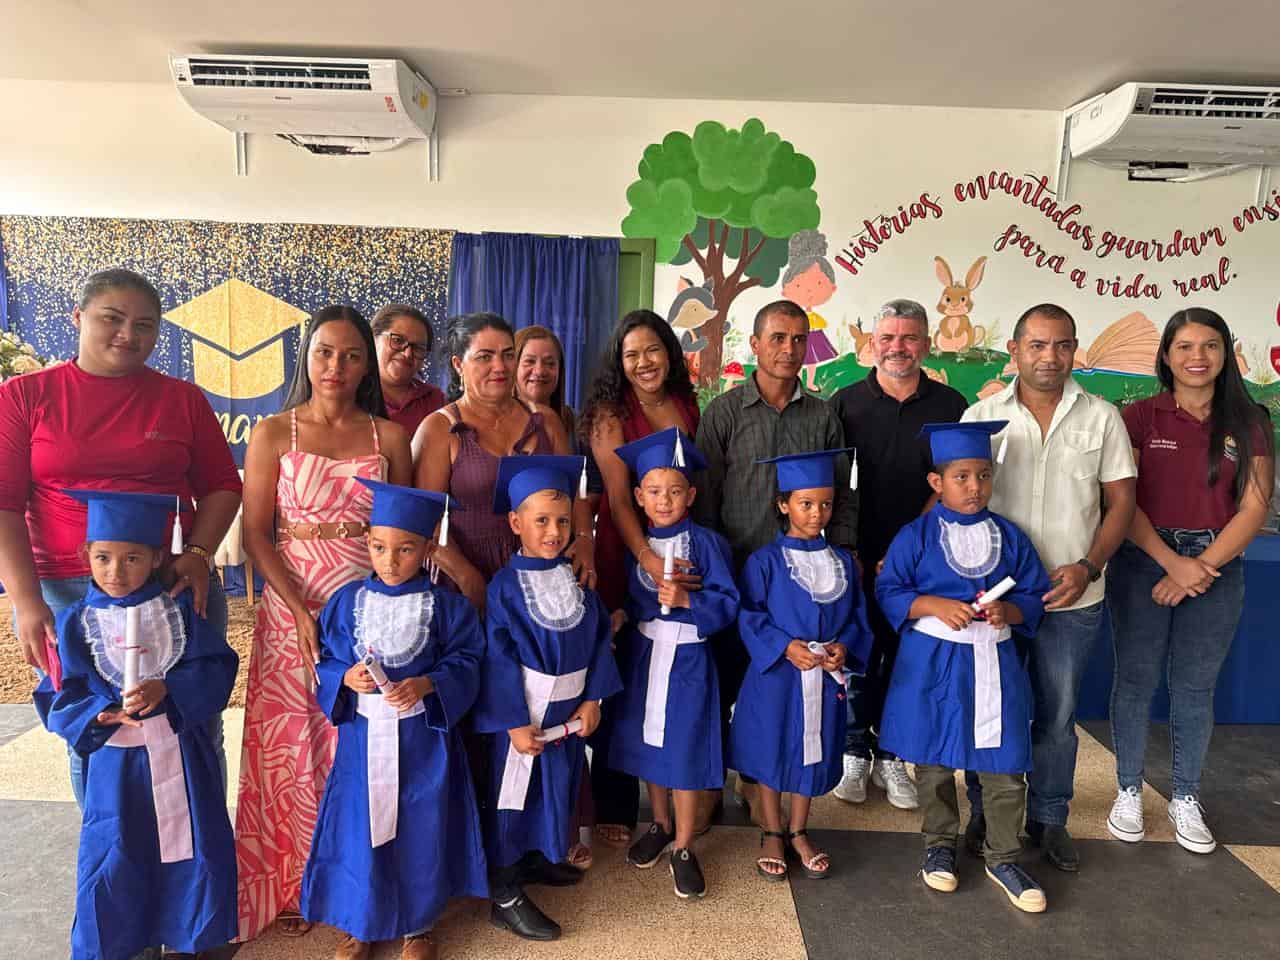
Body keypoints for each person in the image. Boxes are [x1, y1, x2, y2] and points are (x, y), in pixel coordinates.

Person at [0, 268, 242, 807]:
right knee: (96, 727)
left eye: (144, 325)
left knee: (192, 719)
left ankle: (200, 850)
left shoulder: (182, 399)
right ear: (78, 317)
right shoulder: (25, 396)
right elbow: (4, 505)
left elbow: (223, 486)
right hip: (69, 591)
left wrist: (198, 554)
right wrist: (27, 601)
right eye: (112, 318)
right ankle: (109, 848)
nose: (128, 335)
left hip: (170, 584)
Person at [235, 306, 413, 942]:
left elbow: (405, 529)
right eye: (324, 352)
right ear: (306, 357)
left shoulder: (389, 439)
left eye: (351, 355)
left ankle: (356, 882)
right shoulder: (272, 433)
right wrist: (296, 608)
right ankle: (290, 881)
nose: (336, 366)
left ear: (367, 365)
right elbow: (257, 535)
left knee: (359, 743)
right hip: (293, 609)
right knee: (291, 746)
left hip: (369, 608)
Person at [960, 303, 1136, 871]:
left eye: (1062, 345)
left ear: (1074, 351)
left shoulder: (1102, 418)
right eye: (1037, 345)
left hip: (1072, 597)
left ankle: (1050, 818)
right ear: (1014, 350)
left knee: (1057, 717)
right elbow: (957, 501)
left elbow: (1121, 503)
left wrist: (1089, 566)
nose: (1050, 357)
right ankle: (985, 813)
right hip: (996, 602)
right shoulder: (980, 416)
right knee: (991, 711)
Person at [34, 490, 238, 960]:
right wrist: (97, 713)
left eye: (132, 558)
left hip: (180, 757)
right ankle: (124, 943)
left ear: (156, 558)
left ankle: (191, 937)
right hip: (116, 766)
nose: (116, 572)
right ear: (86, 555)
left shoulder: (178, 613)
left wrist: (169, 689)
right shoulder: (76, 623)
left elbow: (216, 667)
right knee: (117, 849)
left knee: (189, 844)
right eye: (103, 558)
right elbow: (58, 693)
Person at [1105, 307, 1274, 856]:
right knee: (1135, 680)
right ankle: (1128, 790)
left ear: (1226, 353)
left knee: (1195, 688)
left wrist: (1200, 567)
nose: (1197, 357)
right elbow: (1121, 502)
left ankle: (1185, 795)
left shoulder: (1249, 421)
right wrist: (1171, 563)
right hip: (1143, 559)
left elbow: (1254, 508)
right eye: (1184, 346)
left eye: (1209, 346)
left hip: (1217, 564)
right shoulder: (1139, 417)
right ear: (1167, 356)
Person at [300, 480, 487, 960]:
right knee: (360, 826)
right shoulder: (347, 602)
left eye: (405, 549)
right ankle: (359, 922)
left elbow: (467, 660)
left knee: (420, 826)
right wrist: (345, 677)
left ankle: (418, 926)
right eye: (380, 547)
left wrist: (427, 684)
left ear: (426, 549)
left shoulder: (445, 607)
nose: (390, 560)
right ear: (367, 542)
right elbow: (326, 661)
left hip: (422, 740)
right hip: (362, 741)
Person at [877, 421, 1051, 914]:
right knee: (933, 761)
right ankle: (939, 844)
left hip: (993, 659)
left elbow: (1033, 593)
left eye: (983, 475)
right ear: (937, 482)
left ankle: (1004, 856)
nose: (974, 487)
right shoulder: (915, 536)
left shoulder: (1009, 537)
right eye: (961, 477)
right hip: (932, 662)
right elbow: (889, 590)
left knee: (1003, 763)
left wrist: (1008, 611)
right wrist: (933, 604)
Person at [694, 299, 855, 813]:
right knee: (725, 680)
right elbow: (706, 497)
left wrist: (844, 555)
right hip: (737, 573)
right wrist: (711, 569)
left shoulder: (823, 417)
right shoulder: (724, 413)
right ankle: (710, 783)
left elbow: (841, 495)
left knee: (778, 689)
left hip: (799, 587)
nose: (789, 348)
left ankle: (758, 780)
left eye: (798, 339)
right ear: (755, 344)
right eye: (778, 338)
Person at [473, 455, 622, 942]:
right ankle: (504, 891)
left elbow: (599, 638)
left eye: (562, 521)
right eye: (541, 521)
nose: (554, 532)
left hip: (569, 715)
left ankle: (534, 858)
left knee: (552, 790)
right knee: (513, 798)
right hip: (526, 716)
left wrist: (594, 699)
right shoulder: (505, 587)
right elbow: (498, 658)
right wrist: (513, 721)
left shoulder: (576, 579)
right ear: (516, 523)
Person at [830, 299, 967, 811]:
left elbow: (953, 480)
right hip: (856, 554)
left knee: (907, 659)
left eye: (909, 338)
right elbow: (831, 486)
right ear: (872, 343)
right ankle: (854, 750)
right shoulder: (844, 404)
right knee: (860, 653)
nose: (897, 348)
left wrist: (908, 548)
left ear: (926, 344)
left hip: (924, 556)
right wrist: (845, 549)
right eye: (887, 337)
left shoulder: (950, 405)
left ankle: (892, 755)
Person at [578, 309, 701, 847]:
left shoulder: (686, 402)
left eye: (652, 350)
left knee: (674, 665)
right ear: (619, 362)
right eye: (631, 355)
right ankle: (615, 799)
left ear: (669, 353)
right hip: (627, 548)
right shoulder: (610, 414)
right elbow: (616, 496)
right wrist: (646, 556)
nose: (644, 362)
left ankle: (681, 787)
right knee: (623, 668)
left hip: (681, 539)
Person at [729, 450, 874, 883]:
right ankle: (772, 831)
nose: (816, 513)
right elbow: (749, 615)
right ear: (783, 504)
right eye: (806, 503)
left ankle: (799, 830)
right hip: (777, 675)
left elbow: (857, 618)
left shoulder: (843, 564)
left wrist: (844, 647)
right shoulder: (765, 562)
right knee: (772, 747)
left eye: (825, 504)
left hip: (824, 676)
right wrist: (784, 646)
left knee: (814, 748)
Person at [607, 428, 739, 899]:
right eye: (655, 491)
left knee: (684, 748)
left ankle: (684, 845)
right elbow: (633, 597)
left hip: (688, 659)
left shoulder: (706, 545)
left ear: (692, 495)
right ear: (639, 496)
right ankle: (659, 823)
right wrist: (622, 615)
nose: (665, 501)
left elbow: (728, 602)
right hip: (645, 657)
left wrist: (687, 602)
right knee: (650, 745)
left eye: (675, 491)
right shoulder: (638, 547)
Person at [413, 313, 594, 615]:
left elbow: (574, 493)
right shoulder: (438, 429)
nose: (500, 366)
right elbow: (425, 521)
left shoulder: (546, 421)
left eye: (508, 355)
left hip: (541, 574)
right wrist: (468, 580)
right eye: (485, 357)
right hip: (463, 580)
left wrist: (586, 539)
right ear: (458, 364)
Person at [373, 305, 446, 438]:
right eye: (397, 340)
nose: (407, 354)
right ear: (373, 339)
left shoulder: (435, 400)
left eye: (418, 348)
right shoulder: (353, 395)